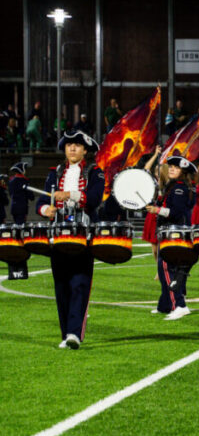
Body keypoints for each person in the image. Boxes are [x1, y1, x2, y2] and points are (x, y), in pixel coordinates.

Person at [35, 130, 104, 349]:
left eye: (76, 145)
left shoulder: (95, 172)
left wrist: (70, 195)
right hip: (58, 237)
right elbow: (41, 200)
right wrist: (46, 209)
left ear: (85, 150)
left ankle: (74, 332)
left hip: (83, 237)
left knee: (79, 284)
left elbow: (94, 199)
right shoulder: (54, 173)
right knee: (61, 286)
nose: (72, 149)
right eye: (68, 145)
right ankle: (66, 334)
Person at [147, 155, 197, 320]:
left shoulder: (179, 188)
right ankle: (165, 305)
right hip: (171, 232)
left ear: (183, 172)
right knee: (165, 269)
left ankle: (179, 305)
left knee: (167, 268)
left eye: (176, 167)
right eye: (171, 167)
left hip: (175, 233)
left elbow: (176, 212)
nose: (172, 169)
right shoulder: (173, 186)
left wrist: (157, 210)